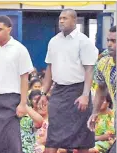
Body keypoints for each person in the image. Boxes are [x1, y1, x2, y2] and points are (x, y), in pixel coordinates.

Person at [39, 9, 99, 153]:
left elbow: (89, 70)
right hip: (58, 91)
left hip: (79, 91)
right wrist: (43, 93)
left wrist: (85, 95)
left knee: (82, 139)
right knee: (53, 135)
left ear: (74, 21)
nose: (61, 21)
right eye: (60, 18)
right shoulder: (54, 41)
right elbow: (49, 69)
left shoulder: (83, 41)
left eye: (65, 18)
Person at [0, 15, 33, 153]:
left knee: (12, 142)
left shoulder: (20, 50)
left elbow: (24, 78)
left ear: (9, 29)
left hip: (10, 101)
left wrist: (22, 103)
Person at [88, 26, 116, 153]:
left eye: (114, 41)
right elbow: (101, 87)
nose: (109, 44)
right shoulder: (103, 62)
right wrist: (95, 112)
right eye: (108, 40)